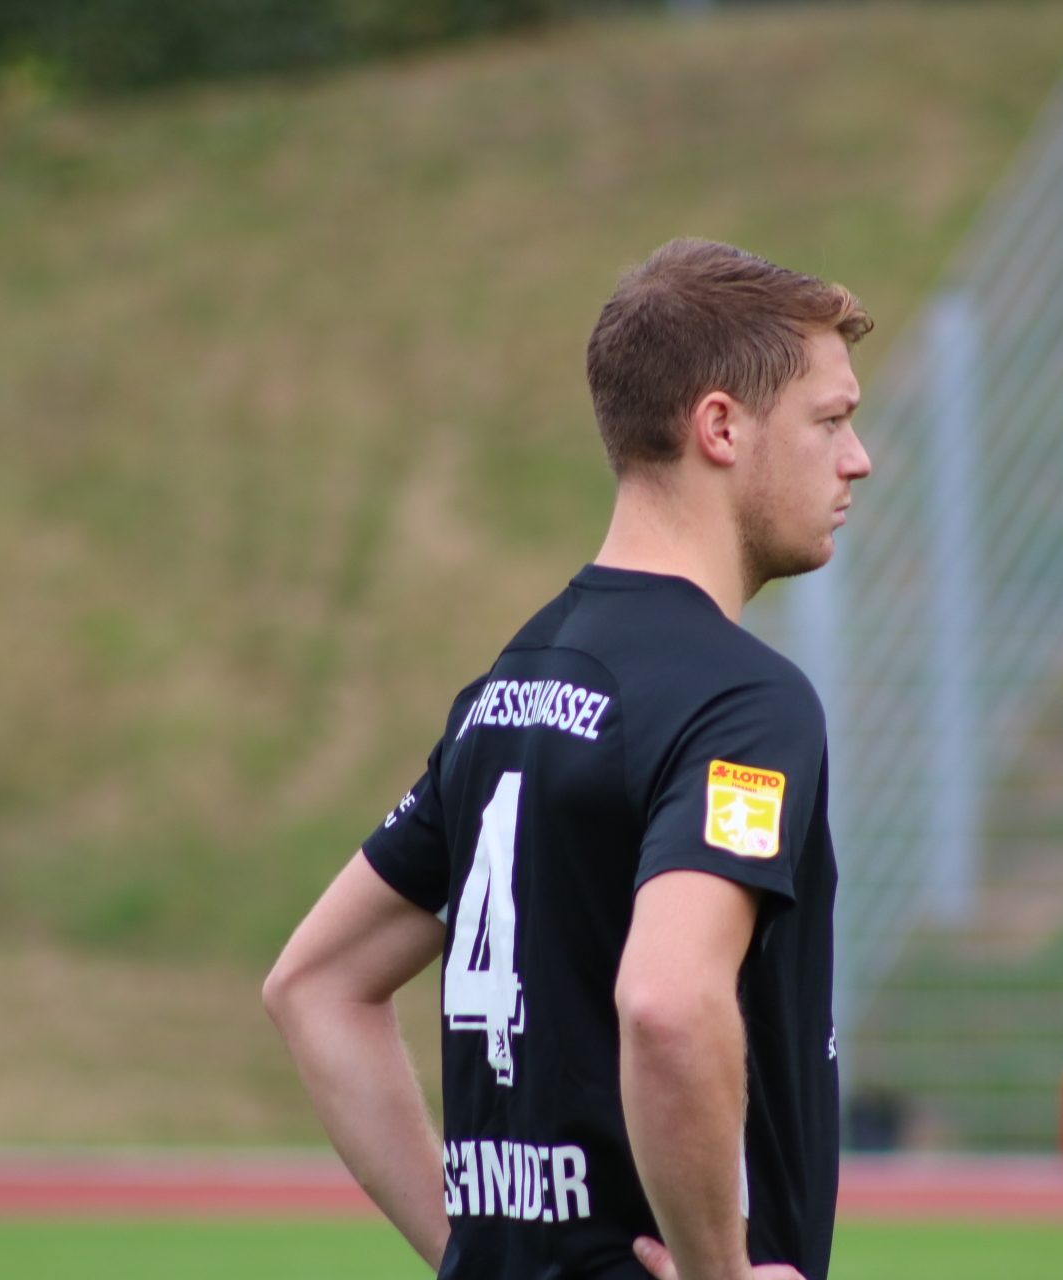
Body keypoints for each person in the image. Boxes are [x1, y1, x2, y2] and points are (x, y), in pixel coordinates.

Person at [263, 238, 872, 1280]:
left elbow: (316, 984)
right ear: (721, 427)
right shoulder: (743, 703)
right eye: (831, 420)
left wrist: (472, 1252)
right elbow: (669, 1004)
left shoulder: (510, 686)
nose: (858, 457)